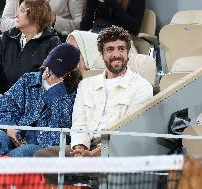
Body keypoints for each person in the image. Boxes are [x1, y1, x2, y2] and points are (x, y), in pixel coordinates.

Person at [35, 26, 153, 158]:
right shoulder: (86, 84)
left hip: (114, 152)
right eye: (110, 49)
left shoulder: (142, 87)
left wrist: (93, 154)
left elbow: (127, 132)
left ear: (128, 52)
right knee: (43, 155)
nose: (116, 54)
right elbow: (79, 123)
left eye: (121, 48)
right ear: (101, 54)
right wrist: (80, 149)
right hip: (86, 147)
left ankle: (82, 171)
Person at [0, 43, 82, 157]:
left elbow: (60, 130)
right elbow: (3, 108)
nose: (50, 71)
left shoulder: (72, 93)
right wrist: (9, 128)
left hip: (41, 144)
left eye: (58, 70)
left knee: (21, 153)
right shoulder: (28, 80)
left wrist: (55, 90)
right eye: (50, 66)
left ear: (70, 73)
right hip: (15, 133)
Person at [0, 0, 61, 98]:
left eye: (21, 10)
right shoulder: (7, 37)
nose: (16, 14)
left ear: (36, 15)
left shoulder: (52, 43)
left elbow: (50, 82)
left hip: (31, 103)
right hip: (0, 97)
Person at [67, 0, 145, 71]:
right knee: (75, 41)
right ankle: (81, 82)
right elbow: (85, 27)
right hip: (96, 34)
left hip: (119, 38)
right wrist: (91, 4)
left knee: (74, 38)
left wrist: (113, 4)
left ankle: (82, 82)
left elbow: (135, 29)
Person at [0, 0, 86, 35]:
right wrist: (28, 22)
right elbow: (4, 23)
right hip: (18, 41)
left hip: (53, 42)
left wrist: (52, 19)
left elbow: (81, 27)